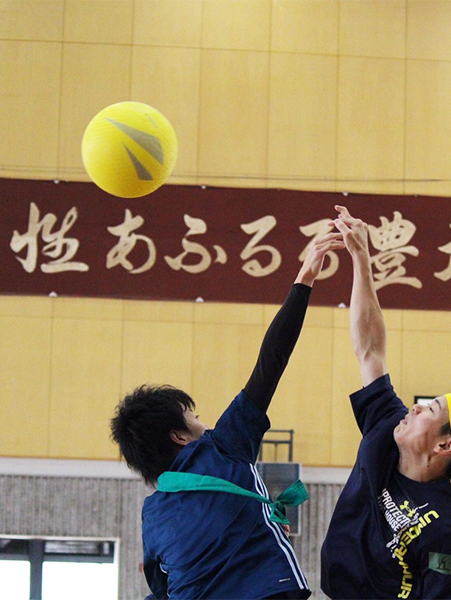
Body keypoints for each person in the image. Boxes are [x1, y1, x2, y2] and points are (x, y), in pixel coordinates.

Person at [111, 231, 344, 600]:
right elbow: (271, 361)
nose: (204, 422)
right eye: (193, 415)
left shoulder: (152, 514)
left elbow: (163, 588)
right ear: (179, 436)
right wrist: (305, 279)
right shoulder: (222, 446)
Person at [320, 206, 451, 600]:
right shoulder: (387, 427)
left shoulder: (449, 533)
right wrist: (361, 260)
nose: (417, 407)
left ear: (445, 444)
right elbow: (370, 349)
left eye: (431, 410)